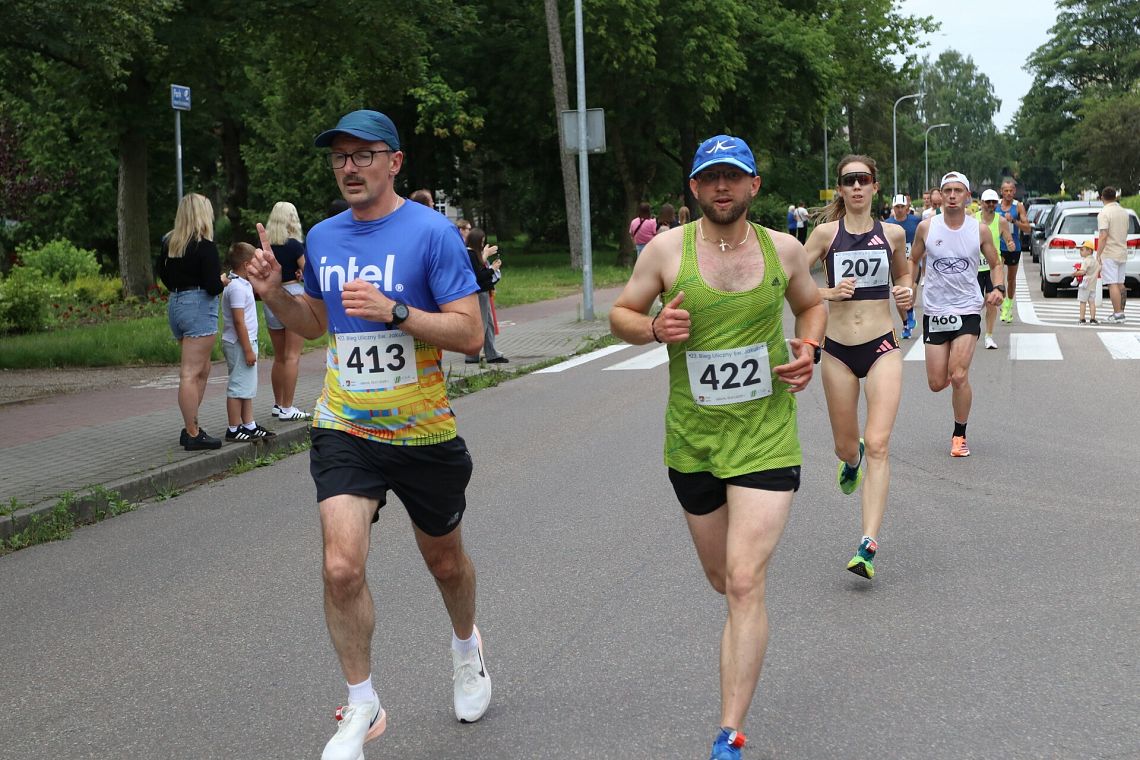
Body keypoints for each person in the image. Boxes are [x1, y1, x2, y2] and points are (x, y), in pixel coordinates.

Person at [244, 109, 490, 760]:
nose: (349, 168)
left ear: (394, 162)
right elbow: (316, 321)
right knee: (340, 566)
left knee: (445, 562)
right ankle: (363, 702)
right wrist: (275, 295)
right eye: (339, 158)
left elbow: (471, 333)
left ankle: (467, 647)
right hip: (345, 425)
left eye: (363, 155)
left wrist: (397, 312)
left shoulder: (433, 233)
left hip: (423, 431)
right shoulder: (324, 237)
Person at [610, 134, 825, 760]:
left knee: (743, 580)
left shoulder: (783, 249)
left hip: (766, 434)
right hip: (694, 440)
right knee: (721, 579)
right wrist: (653, 327)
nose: (721, 187)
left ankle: (729, 732)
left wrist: (809, 349)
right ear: (695, 188)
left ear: (754, 184)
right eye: (710, 178)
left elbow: (811, 307)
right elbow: (621, 314)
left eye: (733, 176)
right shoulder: (666, 250)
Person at [805, 157, 912, 580]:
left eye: (862, 180)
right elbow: (791, 280)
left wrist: (906, 293)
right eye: (848, 181)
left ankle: (867, 545)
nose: (856, 187)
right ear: (840, 188)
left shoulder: (893, 234)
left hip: (882, 345)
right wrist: (827, 292)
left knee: (880, 443)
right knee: (846, 447)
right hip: (837, 352)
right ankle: (852, 460)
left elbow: (904, 274)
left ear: (874, 186)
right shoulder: (825, 235)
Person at [909, 172, 1004, 458]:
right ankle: (951, 373)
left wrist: (998, 288)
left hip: (967, 308)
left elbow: (995, 263)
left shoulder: (980, 230)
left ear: (967, 196)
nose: (952, 195)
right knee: (937, 383)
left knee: (959, 376)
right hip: (935, 309)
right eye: (947, 190)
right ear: (940, 195)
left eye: (957, 191)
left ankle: (959, 435)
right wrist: (908, 288)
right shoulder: (926, 228)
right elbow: (913, 260)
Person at [156, 192, 226, 451]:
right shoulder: (205, 246)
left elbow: (162, 274)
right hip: (198, 306)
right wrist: (224, 280)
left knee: (202, 369)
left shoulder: (170, 244)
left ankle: (191, 425)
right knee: (190, 372)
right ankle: (193, 433)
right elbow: (212, 286)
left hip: (176, 304)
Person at [262, 201, 312, 422]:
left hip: (272, 298)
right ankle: (288, 407)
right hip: (292, 296)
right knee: (292, 356)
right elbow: (309, 272)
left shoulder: (265, 247)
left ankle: (278, 404)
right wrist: (300, 275)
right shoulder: (294, 245)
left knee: (279, 357)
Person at [221, 242, 274, 441]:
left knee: (247, 386)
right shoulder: (236, 287)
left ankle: (249, 424)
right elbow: (238, 321)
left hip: (246, 342)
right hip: (240, 344)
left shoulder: (242, 284)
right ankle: (234, 428)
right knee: (237, 387)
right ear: (245, 265)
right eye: (254, 264)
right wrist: (247, 349)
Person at [975, 189, 1015, 349]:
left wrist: (1010, 244)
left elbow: (1008, 239)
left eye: (993, 202)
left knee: (991, 302)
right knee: (975, 303)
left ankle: (989, 336)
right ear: (982, 203)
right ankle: (972, 330)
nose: (991, 205)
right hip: (975, 268)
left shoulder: (1001, 221)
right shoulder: (972, 219)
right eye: (988, 202)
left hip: (993, 268)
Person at [463, 227, 507, 365]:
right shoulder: (471, 255)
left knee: (488, 323)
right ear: (476, 242)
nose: (482, 244)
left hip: (482, 291)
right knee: (482, 324)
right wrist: (492, 269)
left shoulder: (471, 254)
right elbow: (479, 276)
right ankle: (472, 354)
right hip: (479, 292)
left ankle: (491, 353)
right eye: (481, 242)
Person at [884, 193, 921, 339]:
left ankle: (910, 311)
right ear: (893, 208)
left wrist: (923, 251)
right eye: (897, 207)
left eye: (902, 207)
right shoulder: (887, 224)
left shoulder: (916, 221)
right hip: (896, 264)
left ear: (907, 207)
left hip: (912, 261)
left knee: (911, 288)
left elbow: (923, 237)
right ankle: (906, 323)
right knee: (899, 294)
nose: (899, 209)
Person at [995, 180, 1030, 324]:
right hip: (998, 245)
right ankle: (1003, 304)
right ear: (1001, 191)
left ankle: (1009, 305)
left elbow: (1027, 228)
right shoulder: (995, 205)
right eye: (1006, 190)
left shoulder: (1018, 206)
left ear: (1014, 191)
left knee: (1011, 279)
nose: (1008, 193)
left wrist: (1014, 221)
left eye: (1011, 190)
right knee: (999, 276)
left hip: (1013, 246)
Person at [1096, 186, 1130, 323]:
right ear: (1115, 197)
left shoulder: (1104, 213)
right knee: (1121, 284)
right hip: (1122, 251)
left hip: (1109, 253)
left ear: (1102, 198)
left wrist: (1098, 254)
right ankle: (1121, 312)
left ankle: (1117, 314)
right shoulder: (1124, 212)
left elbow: (1103, 235)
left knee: (1112, 284)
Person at [1075, 239, 1101, 324]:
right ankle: (1093, 318)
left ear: (1089, 250)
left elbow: (1083, 272)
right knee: (1092, 302)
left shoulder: (1086, 261)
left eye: (1082, 250)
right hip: (1093, 286)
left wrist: (1074, 274)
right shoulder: (1095, 261)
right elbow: (1099, 269)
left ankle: (1082, 318)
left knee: (1083, 302)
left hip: (1085, 285)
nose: (1080, 252)